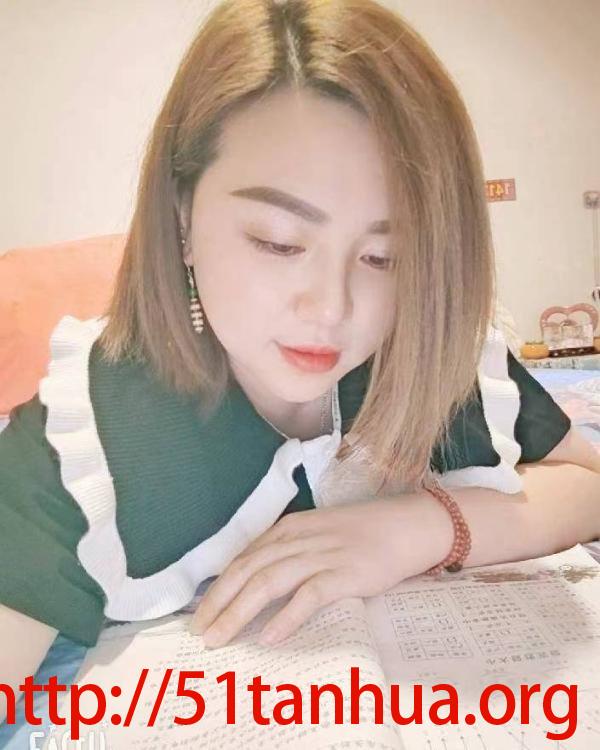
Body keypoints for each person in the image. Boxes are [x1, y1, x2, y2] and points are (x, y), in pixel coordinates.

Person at [2, 0, 600, 724]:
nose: (331, 308)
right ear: (183, 215)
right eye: (280, 242)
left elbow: (585, 482)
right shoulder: (92, 439)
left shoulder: (428, 348)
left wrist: (419, 528)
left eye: (385, 256)